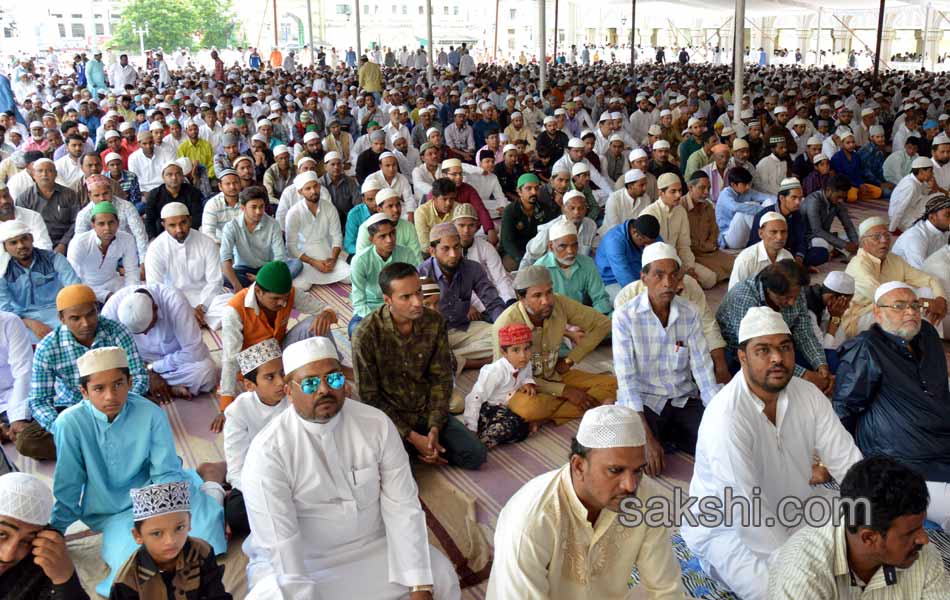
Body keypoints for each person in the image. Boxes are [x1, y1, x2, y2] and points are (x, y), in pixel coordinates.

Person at [240, 336, 461, 598]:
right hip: (308, 563)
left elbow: (403, 506)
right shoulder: (268, 452)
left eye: (333, 379)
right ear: (289, 391)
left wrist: (418, 585)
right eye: (310, 383)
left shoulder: (376, 424)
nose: (324, 390)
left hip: (378, 548)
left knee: (440, 575)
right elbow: (281, 546)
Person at [681, 307, 863, 600]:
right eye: (763, 350)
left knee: (873, 524)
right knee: (784, 592)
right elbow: (745, 509)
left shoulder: (808, 395)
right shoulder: (725, 417)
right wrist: (797, 567)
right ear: (742, 358)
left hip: (797, 506)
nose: (777, 358)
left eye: (784, 348)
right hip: (729, 530)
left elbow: (847, 461)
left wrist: (875, 518)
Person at [49, 346, 226, 596]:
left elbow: (165, 472)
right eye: (99, 388)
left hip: (157, 497)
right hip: (113, 510)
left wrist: (166, 518)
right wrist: (55, 529)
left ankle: (211, 480)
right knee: (134, 563)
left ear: (130, 382)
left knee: (205, 539)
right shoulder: (69, 424)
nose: (111, 396)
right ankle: (205, 478)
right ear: (84, 391)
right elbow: (68, 483)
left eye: (118, 384)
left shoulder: (150, 413)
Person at [487, 405, 684, 599]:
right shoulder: (530, 520)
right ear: (579, 466)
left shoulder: (644, 498)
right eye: (615, 470)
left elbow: (665, 587)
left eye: (638, 471)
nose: (631, 485)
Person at [834, 282, 950, 528]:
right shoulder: (866, 348)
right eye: (899, 306)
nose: (910, 312)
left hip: (942, 445)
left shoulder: (927, 336)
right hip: (905, 461)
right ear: (878, 313)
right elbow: (844, 408)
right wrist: (836, 463)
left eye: (915, 306)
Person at [353, 262, 486, 470]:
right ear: (387, 300)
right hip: (391, 419)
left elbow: (441, 379)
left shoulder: (433, 322)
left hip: (427, 411)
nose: (417, 302)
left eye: (418, 292)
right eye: (406, 297)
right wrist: (412, 437)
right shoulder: (366, 334)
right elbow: (370, 397)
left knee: (475, 455)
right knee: (394, 472)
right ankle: (417, 450)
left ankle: (428, 448)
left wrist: (434, 428)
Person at [768, 455, 949, 598]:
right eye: (910, 532)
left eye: (921, 526)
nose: (924, 538)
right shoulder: (803, 576)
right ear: (868, 537)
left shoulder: (921, 554)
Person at [613, 242, 721, 475]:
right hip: (646, 404)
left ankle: (672, 435)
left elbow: (702, 370)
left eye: (673, 276)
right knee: (636, 457)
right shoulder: (625, 317)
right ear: (644, 278)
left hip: (682, 399)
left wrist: (718, 416)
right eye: (659, 275)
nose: (667, 283)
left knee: (719, 443)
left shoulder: (689, 312)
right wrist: (647, 438)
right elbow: (627, 381)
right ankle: (663, 437)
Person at [217, 260, 340, 430]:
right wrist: (225, 405)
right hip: (256, 365)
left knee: (316, 321)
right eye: (275, 299)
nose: (282, 303)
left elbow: (326, 309)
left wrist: (327, 314)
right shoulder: (234, 311)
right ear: (258, 292)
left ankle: (335, 369)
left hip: (279, 350)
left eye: (284, 298)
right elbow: (230, 359)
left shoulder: (289, 294)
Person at [492, 266, 616, 423]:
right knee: (529, 409)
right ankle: (564, 408)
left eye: (549, 292)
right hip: (522, 387)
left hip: (555, 374)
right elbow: (508, 376)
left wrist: (571, 359)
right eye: (537, 295)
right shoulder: (506, 324)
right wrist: (564, 391)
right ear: (521, 298)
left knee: (615, 385)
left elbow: (603, 324)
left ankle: (546, 417)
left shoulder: (559, 303)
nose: (546, 301)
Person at [718, 260, 832, 392]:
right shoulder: (743, 297)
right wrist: (805, 375)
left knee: (830, 364)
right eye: (786, 297)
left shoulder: (795, 291)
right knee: (777, 388)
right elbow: (756, 349)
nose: (792, 302)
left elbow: (804, 332)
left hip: (779, 347)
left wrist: (821, 366)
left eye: (795, 297)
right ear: (769, 289)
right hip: (740, 356)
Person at [109, 480, 231, 600]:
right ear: (137, 535)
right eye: (157, 533)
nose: (171, 541)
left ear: (189, 523)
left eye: (179, 528)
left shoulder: (202, 552)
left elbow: (216, 595)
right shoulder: (127, 580)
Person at [102, 284, 219, 401]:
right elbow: (106, 355)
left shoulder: (175, 302)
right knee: (109, 381)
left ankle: (149, 388)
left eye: (149, 327)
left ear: (155, 308)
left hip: (176, 361)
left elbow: (194, 352)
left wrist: (153, 369)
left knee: (207, 371)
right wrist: (146, 373)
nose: (146, 334)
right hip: (137, 365)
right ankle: (167, 388)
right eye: (140, 333)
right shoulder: (111, 310)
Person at [221, 339, 289, 537]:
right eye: (270, 377)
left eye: (283, 373)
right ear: (250, 385)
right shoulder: (238, 411)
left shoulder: (295, 399)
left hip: (294, 472)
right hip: (258, 478)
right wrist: (267, 491)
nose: (280, 382)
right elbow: (236, 469)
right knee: (237, 515)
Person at [418, 223, 504, 372]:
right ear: (432, 251)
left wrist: (506, 327)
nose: (453, 254)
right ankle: (471, 361)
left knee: (501, 337)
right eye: (445, 249)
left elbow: (493, 303)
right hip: (432, 334)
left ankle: (451, 359)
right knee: (421, 353)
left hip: (462, 328)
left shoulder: (472, 268)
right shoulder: (420, 273)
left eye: (457, 247)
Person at [841, 216, 947, 337]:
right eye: (877, 237)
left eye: (887, 236)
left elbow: (930, 279)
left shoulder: (894, 260)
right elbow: (886, 299)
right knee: (910, 310)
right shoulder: (858, 265)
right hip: (863, 316)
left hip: (896, 307)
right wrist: (924, 304)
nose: (884, 241)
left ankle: (933, 340)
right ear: (863, 243)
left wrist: (940, 300)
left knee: (928, 291)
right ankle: (917, 343)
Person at [0, 472, 89, 599]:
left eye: (26, 541)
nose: (8, 556)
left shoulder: (34, 566)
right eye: (2, 534)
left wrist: (64, 579)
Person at [144, 202, 232, 330]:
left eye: (183, 223)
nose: (179, 229)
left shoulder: (206, 242)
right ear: (163, 225)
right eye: (172, 225)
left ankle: (190, 322)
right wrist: (186, 309)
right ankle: (198, 321)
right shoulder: (156, 248)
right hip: (173, 303)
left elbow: (215, 281)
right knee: (152, 311)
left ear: (190, 220)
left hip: (206, 300)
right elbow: (155, 286)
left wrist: (202, 307)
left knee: (233, 304)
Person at [0, 219, 80, 339]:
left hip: (59, 314)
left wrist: (66, 315)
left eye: (24, 239)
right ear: (5, 247)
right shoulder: (3, 271)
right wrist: (31, 323)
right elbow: (4, 310)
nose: (21, 245)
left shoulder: (54, 259)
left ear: (31, 238)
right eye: (13, 243)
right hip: (22, 320)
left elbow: (75, 290)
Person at [462, 323, 537, 448]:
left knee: (523, 427)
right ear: (504, 352)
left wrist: (527, 382)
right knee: (509, 426)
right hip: (486, 409)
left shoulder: (526, 364)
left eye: (527, 349)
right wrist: (471, 428)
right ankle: (476, 444)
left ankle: (485, 437)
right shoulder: (494, 372)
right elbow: (475, 398)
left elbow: (527, 374)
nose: (523, 355)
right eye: (516, 350)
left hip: (505, 408)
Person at [349, 213, 420, 335]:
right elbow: (359, 302)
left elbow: (415, 286)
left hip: (402, 305)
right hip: (371, 307)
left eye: (392, 233)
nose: (390, 240)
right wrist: (379, 320)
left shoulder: (407, 253)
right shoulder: (360, 261)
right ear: (371, 239)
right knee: (356, 330)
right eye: (383, 236)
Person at [220, 186, 302, 290]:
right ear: (243, 208)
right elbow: (225, 259)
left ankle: (259, 283)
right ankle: (269, 284)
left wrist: (260, 278)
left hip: (268, 269)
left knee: (297, 264)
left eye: (261, 206)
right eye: (253, 207)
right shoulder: (231, 227)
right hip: (243, 270)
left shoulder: (273, 224)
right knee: (223, 276)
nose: (259, 211)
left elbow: (280, 257)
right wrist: (236, 285)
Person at [66, 202, 140, 303]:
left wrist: (131, 295)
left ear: (118, 223)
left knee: (142, 295)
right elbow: (73, 278)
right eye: (101, 224)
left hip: (114, 283)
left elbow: (132, 271)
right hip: (87, 287)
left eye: (111, 222)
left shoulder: (127, 239)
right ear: (93, 225)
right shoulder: (79, 243)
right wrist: (105, 295)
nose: (107, 228)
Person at [285, 172, 349, 287]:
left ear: (320, 187)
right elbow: (291, 246)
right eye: (308, 188)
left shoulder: (329, 207)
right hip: (305, 258)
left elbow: (337, 236)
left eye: (315, 186)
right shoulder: (294, 213)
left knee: (350, 276)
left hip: (327, 254)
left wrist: (333, 259)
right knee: (302, 286)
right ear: (300, 192)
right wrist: (314, 263)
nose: (313, 191)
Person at [534, 220, 611, 315]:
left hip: (580, 318)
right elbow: (539, 308)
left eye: (574, 245)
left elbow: (600, 298)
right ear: (551, 246)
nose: (570, 251)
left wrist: (598, 320)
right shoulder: (539, 269)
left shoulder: (587, 264)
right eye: (563, 246)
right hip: (552, 320)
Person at [15, 157, 80, 253]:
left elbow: (76, 221)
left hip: (67, 244)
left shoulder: (69, 194)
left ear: (55, 174)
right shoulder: (24, 198)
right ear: (33, 175)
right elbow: (22, 227)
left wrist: (63, 244)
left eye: (49, 171)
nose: (44, 174)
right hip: (36, 246)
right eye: (40, 171)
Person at [520, 190, 598, 269]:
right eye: (572, 208)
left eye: (581, 208)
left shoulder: (590, 225)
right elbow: (530, 257)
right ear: (563, 209)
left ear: (586, 209)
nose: (577, 212)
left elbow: (591, 252)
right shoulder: (549, 229)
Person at [683, 170, 734, 284]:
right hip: (692, 254)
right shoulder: (681, 207)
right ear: (691, 188)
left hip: (709, 251)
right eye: (702, 188)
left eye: (709, 188)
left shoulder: (708, 206)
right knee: (710, 279)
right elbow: (683, 242)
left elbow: (714, 231)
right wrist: (705, 247)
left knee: (737, 264)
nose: (706, 192)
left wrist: (710, 245)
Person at [595, 214, 660, 301]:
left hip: (641, 278)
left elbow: (663, 254)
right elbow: (624, 276)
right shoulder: (614, 240)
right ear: (634, 233)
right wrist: (646, 295)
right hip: (612, 282)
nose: (647, 247)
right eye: (644, 243)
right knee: (642, 302)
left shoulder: (649, 234)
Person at [500, 173, 558, 270]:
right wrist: (523, 259)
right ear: (519, 191)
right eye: (529, 188)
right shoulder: (510, 211)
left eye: (536, 188)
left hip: (537, 251)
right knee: (514, 265)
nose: (533, 192)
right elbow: (507, 242)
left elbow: (551, 234)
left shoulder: (545, 209)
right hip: (515, 253)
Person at [729, 212, 794, 289]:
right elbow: (734, 293)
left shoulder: (788, 257)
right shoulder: (746, 259)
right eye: (774, 232)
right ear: (760, 233)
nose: (780, 237)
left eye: (783, 232)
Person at [801, 173, 859, 258]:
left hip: (827, 235)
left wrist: (856, 245)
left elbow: (848, 225)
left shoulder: (837, 202)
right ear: (829, 190)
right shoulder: (814, 200)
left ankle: (835, 251)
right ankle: (834, 251)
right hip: (810, 238)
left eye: (844, 198)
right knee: (822, 244)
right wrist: (845, 245)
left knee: (859, 233)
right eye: (839, 197)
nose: (841, 200)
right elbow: (817, 231)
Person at [143, 161, 203, 238]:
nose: (174, 177)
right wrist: (153, 238)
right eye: (169, 174)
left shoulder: (192, 192)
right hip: (162, 234)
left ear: (182, 176)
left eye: (177, 174)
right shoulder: (154, 195)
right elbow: (150, 220)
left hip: (187, 232)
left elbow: (196, 217)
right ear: (163, 177)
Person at [715, 166, 771, 249]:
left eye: (748, 184)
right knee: (747, 208)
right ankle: (764, 238)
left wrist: (782, 200)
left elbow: (766, 197)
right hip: (729, 237)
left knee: (768, 202)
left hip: (745, 236)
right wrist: (763, 210)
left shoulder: (747, 191)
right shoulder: (725, 194)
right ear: (733, 185)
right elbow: (735, 207)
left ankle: (770, 233)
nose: (748, 187)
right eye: (745, 184)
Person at [891, 193, 950, 269]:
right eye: (948, 215)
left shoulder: (944, 230)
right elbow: (921, 271)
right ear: (932, 217)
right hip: (903, 275)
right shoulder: (915, 237)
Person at [889, 156, 935, 234]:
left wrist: (930, 187)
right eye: (930, 171)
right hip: (903, 218)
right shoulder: (910, 185)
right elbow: (900, 208)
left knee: (938, 196)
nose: (932, 174)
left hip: (911, 210)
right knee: (926, 230)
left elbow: (923, 194)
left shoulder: (918, 180)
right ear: (921, 171)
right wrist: (892, 228)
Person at [201, 169, 243, 244]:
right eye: (228, 184)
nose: (232, 187)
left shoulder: (247, 200)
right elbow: (208, 233)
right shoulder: (212, 204)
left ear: (240, 184)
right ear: (220, 186)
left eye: (235, 183)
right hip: (221, 244)